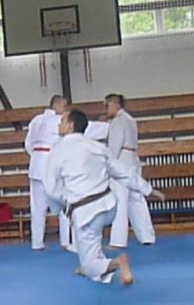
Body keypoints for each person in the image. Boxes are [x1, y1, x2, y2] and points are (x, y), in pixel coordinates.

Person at [44, 109, 164, 285]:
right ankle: (90, 264)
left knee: (90, 262)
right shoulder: (97, 146)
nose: (58, 124)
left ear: (70, 125)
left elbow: (50, 189)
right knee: (91, 243)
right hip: (109, 205)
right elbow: (122, 173)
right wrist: (148, 190)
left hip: (86, 212)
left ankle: (115, 263)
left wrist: (63, 206)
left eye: (62, 120)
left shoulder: (58, 150)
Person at [105, 93, 157, 248]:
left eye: (107, 105)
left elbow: (114, 146)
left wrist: (109, 164)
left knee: (120, 200)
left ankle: (118, 241)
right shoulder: (130, 119)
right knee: (137, 199)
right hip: (133, 160)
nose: (106, 109)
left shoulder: (118, 121)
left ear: (115, 105)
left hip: (121, 162)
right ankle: (147, 236)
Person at [24, 95, 73, 252]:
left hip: (35, 163)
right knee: (63, 202)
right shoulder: (59, 120)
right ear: (56, 105)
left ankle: (36, 242)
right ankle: (65, 241)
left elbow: (27, 144)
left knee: (37, 207)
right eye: (64, 106)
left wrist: (36, 155)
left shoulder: (36, 120)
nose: (65, 109)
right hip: (51, 163)